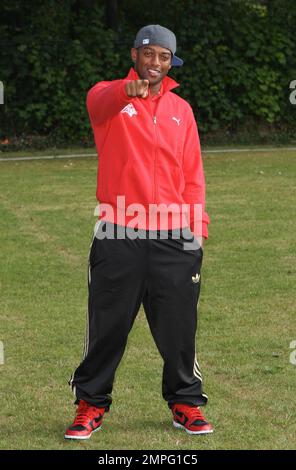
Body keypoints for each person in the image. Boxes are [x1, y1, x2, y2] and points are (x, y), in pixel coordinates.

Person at [65, 24, 213, 440]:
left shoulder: (181, 111)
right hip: (118, 234)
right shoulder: (110, 101)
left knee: (179, 328)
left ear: (171, 63)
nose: (155, 63)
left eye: (164, 57)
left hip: (174, 237)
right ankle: (89, 405)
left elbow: (193, 176)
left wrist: (196, 227)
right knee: (107, 326)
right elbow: (99, 100)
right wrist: (122, 92)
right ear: (135, 55)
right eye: (149, 55)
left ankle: (185, 402)